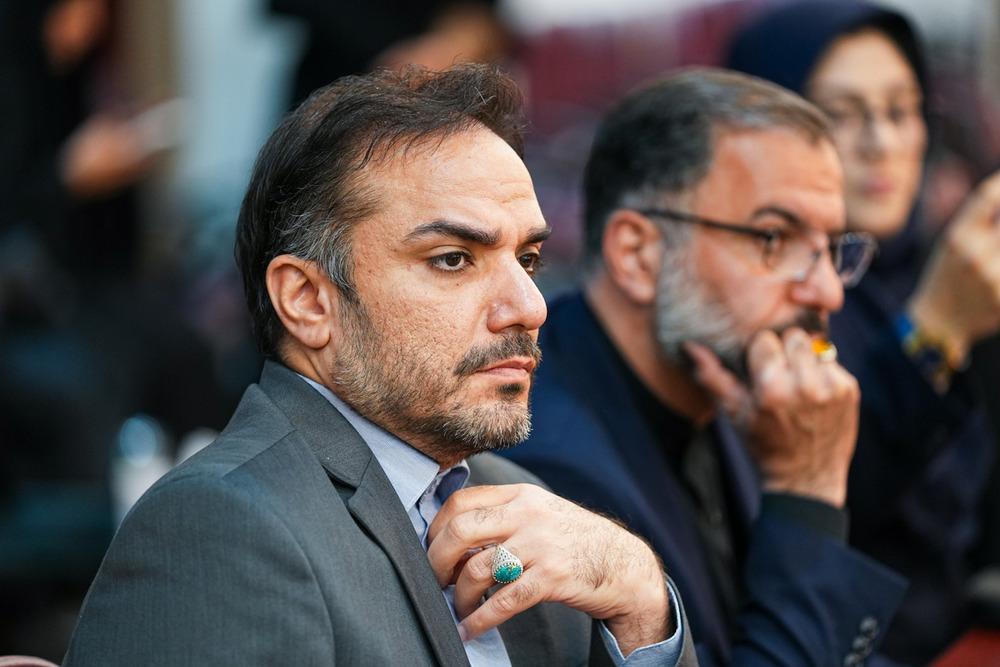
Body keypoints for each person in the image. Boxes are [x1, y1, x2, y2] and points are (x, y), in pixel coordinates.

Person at [62, 64, 697, 666]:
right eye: (453, 259)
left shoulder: (520, 500)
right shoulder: (220, 526)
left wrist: (642, 604)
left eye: (527, 260)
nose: (531, 307)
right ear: (308, 301)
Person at [500, 67, 908, 666]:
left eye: (830, 247)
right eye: (774, 238)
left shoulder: (723, 378)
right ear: (638, 254)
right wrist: (807, 492)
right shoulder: (549, 470)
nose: (828, 291)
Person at [726, 3, 1000, 662]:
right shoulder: (754, 296)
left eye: (901, 110)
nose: (881, 141)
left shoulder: (946, 264)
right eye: (842, 114)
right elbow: (813, 506)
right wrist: (933, 332)